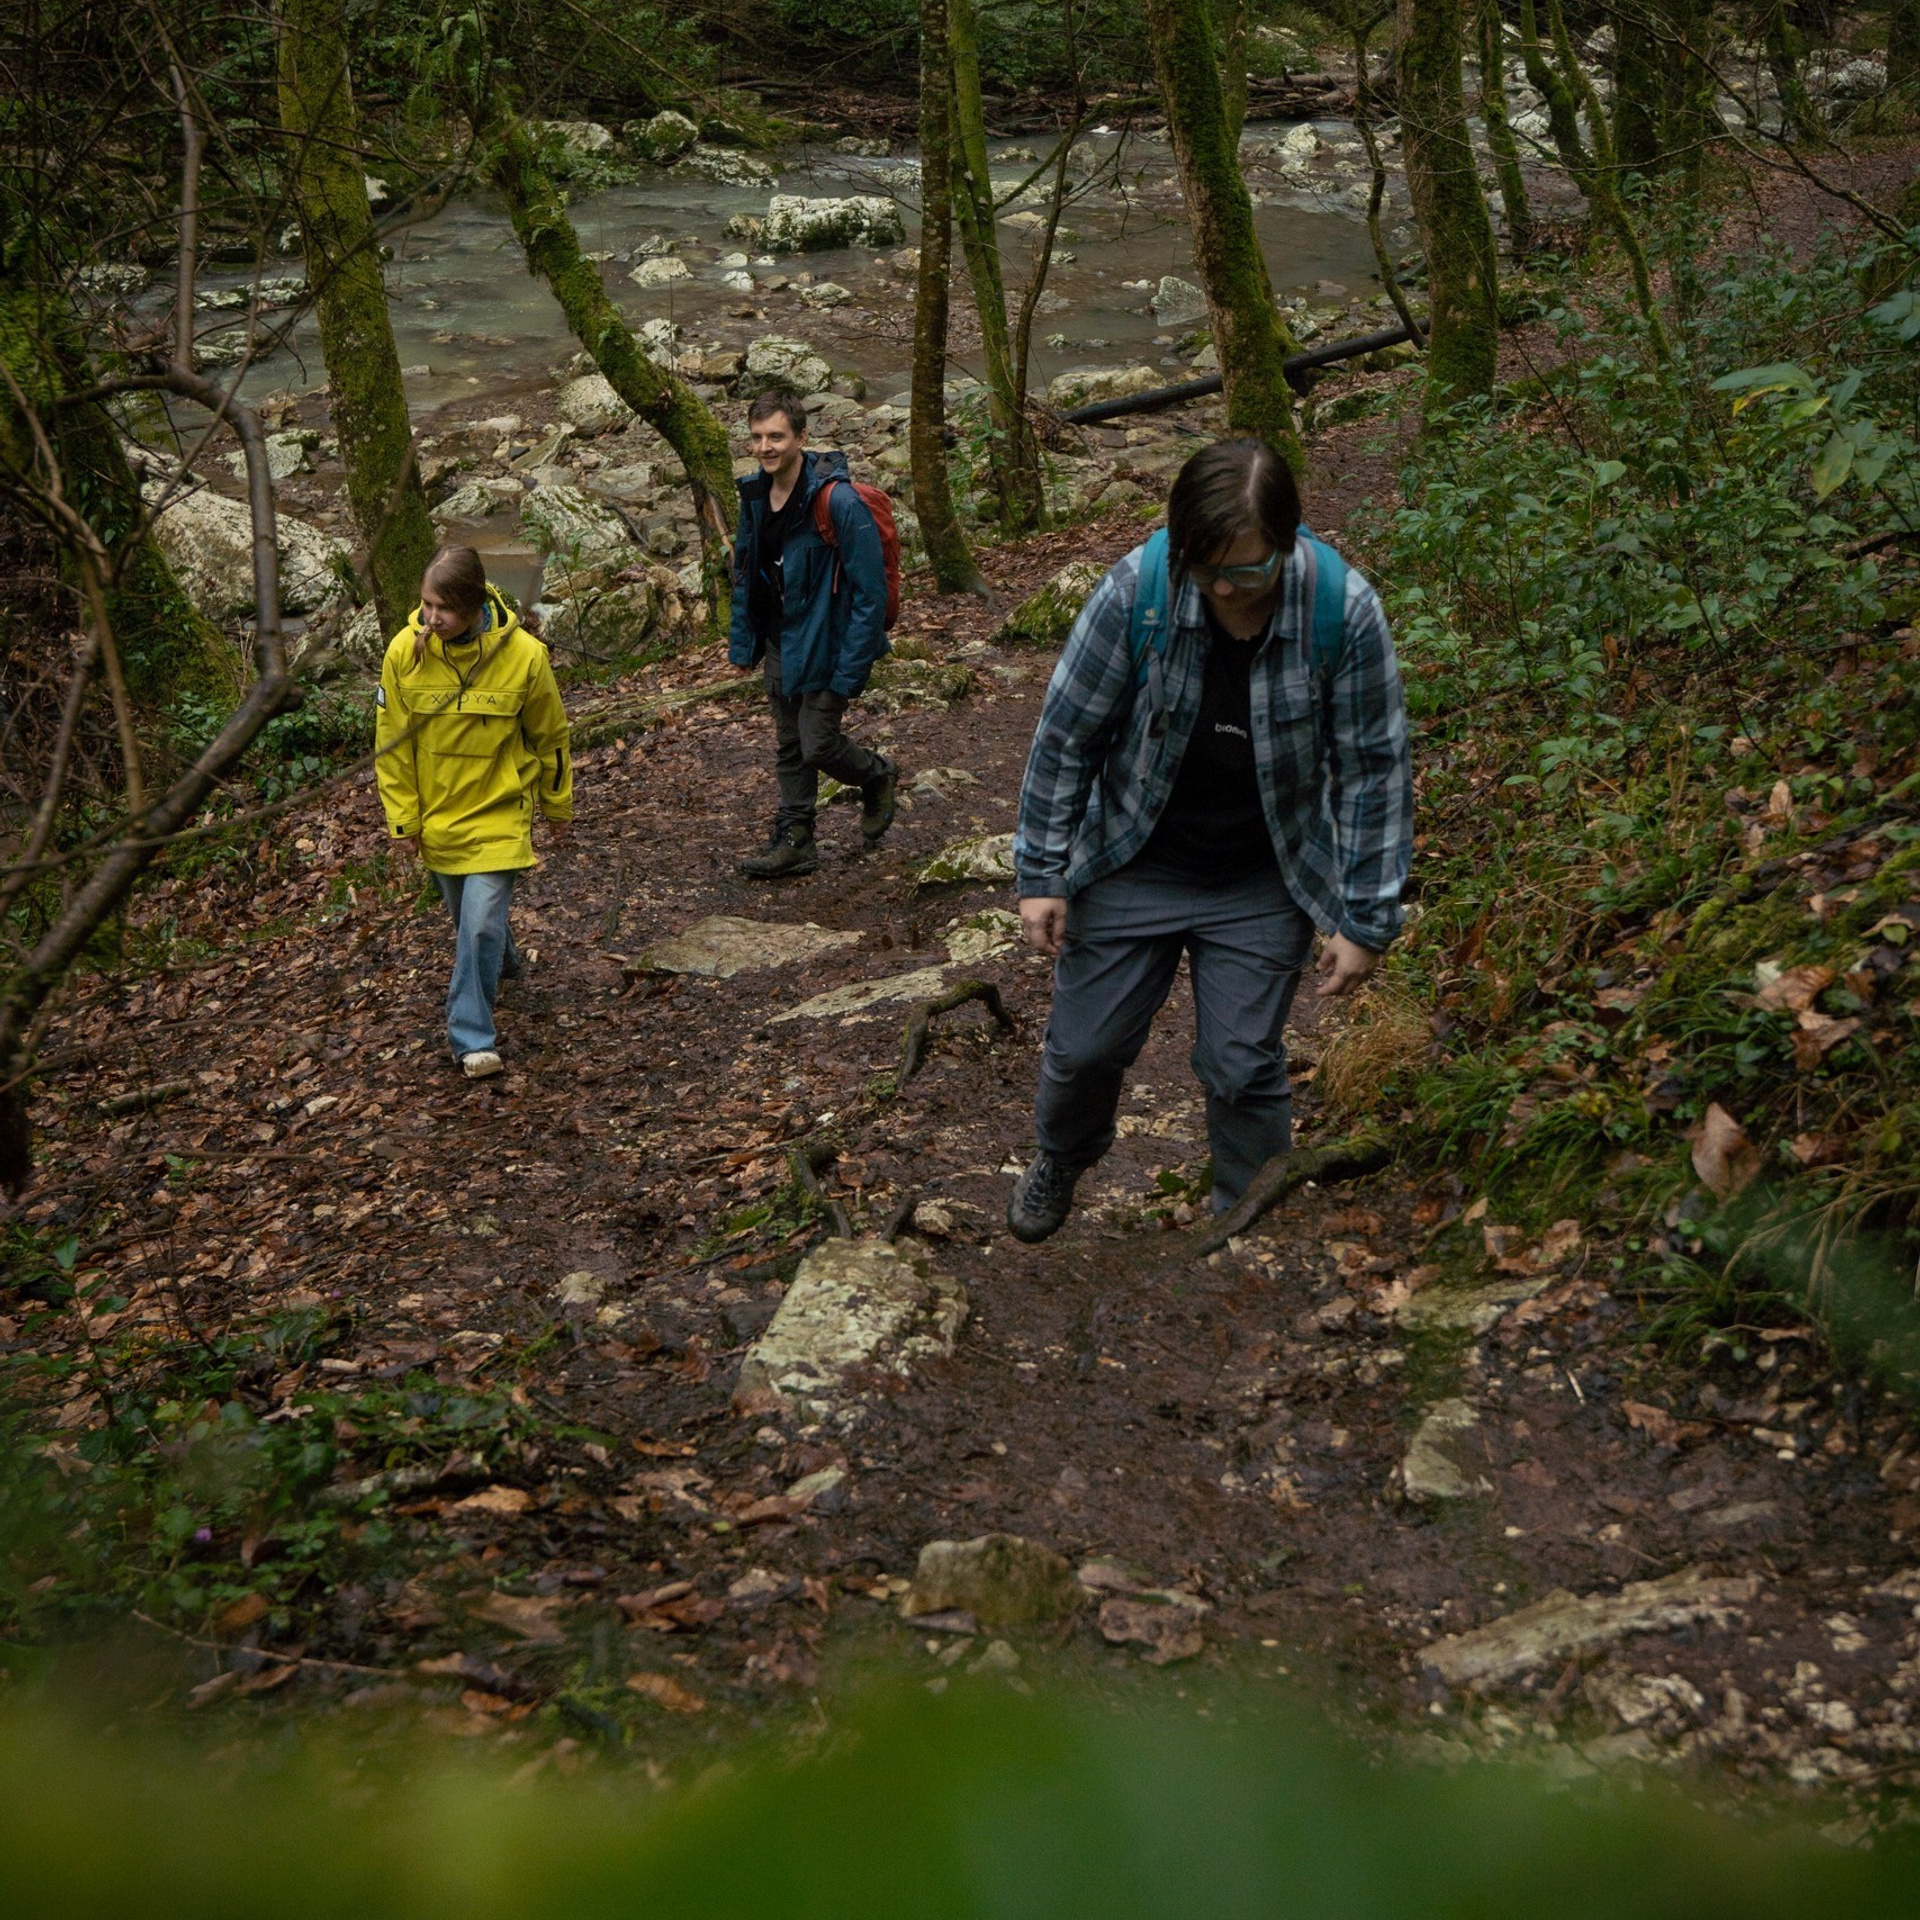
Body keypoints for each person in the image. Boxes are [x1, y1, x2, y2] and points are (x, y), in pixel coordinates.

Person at [1005, 438, 1413, 1243]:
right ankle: (1063, 1154)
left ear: (1287, 545)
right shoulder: (1135, 594)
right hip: (1132, 854)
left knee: (1241, 1064)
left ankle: (1249, 1213)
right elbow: (1066, 738)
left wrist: (1365, 918)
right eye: (1207, 569)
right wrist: (1042, 873)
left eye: (1248, 570)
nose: (1226, 588)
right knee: (1085, 1049)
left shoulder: (1344, 613)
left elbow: (1374, 769)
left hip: (1267, 872)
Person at [374, 545, 573, 1079]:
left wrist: (557, 808)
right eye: (425, 604)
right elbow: (391, 744)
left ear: (473, 603)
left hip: (500, 812)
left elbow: (550, 738)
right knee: (472, 919)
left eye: (442, 608)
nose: (430, 618)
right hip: (439, 816)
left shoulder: (526, 656)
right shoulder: (403, 653)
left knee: (478, 923)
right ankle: (504, 960)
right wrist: (404, 820)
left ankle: (471, 1038)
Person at [728, 391, 897, 878]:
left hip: (829, 641)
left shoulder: (837, 500)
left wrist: (853, 665)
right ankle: (797, 838)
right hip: (782, 639)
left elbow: (870, 594)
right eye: (758, 437)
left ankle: (877, 774)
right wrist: (744, 644)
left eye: (776, 436)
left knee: (817, 744)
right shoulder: (755, 495)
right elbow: (744, 571)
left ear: (801, 438)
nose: (765, 447)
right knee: (788, 744)